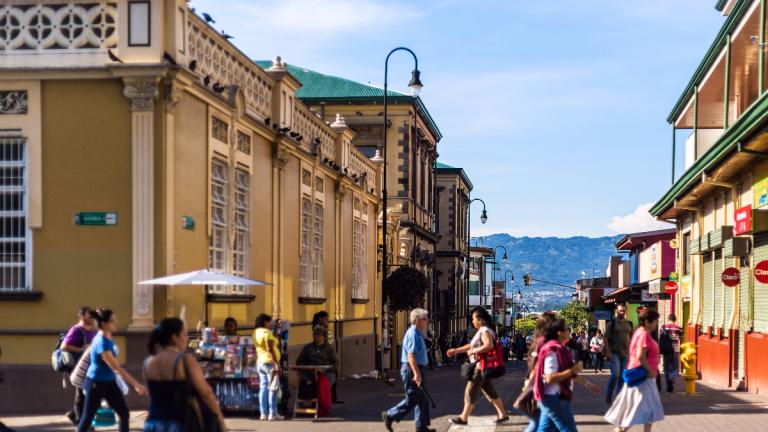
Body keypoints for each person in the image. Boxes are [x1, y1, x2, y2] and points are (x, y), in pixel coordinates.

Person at [143, 318, 226, 432]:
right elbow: (206, 393)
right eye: (184, 334)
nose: (186, 338)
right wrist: (220, 420)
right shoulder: (184, 360)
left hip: (152, 423)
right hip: (178, 423)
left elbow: (151, 395)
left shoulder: (148, 363)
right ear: (174, 338)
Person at [77, 308, 147, 432]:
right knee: (87, 418)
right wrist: (136, 384)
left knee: (124, 414)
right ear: (104, 324)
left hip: (108, 382)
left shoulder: (106, 336)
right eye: (113, 321)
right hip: (96, 383)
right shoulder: (101, 343)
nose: (116, 323)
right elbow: (117, 368)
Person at [533, 318, 601, 432]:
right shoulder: (553, 350)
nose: (569, 332)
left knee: (545, 429)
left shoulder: (561, 349)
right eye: (567, 329)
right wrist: (572, 370)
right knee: (569, 429)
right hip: (554, 397)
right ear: (559, 333)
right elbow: (550, 378)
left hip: (553, 397)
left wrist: (588, 384)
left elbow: (570, 374)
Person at [604, 308, 665, 431]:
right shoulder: (643, 334)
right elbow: (640, 356)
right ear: (648, 321)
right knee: (636, 411)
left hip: (644, 377)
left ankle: (621, 429)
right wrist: (651, 371)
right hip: (643, 378)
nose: (656, 324)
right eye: (655, 321)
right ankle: (619, 430)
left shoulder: (640, 331)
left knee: (648, 412)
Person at [446, 307, 508, 426]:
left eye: (473, 318)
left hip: (480, 366)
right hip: (482, 366)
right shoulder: (484, 330)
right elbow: (470, 345)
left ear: (480, 319)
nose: (472, 321)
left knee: (470, 390)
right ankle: (503, 415)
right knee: (490, 392)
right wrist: (456, 350)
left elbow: (488, 345)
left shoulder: (485, 330)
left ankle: (463, 418)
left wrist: (474, 351)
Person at [382, 308, 435, 432]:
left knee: (422, 398)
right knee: (413, 398)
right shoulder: (413, 334)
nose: (427, 321)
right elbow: (411, 356)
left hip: (416, 367)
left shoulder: (418, 332)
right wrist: (416, 374)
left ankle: (421, 427)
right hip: (412, 368)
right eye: (424, 319)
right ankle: (390, 415)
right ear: (417, 320)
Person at [61, 307, 98, 426]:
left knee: (89, 394)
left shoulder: (92, 331)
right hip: (79, 366)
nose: (91, 317)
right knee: (81, 394)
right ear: (82, 316)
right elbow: (64, 346)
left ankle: (74, 415)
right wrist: (81, 349)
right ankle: (82, 423)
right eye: (89, 315)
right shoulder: (76, 330)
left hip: (90, 367)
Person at [253, 313, 282, 421]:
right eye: (269, 322)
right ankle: (273, 413)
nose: (270, 323)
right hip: (270, 363)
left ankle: (263, 413)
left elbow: (272, 341)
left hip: (260, 362)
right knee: (273, 389)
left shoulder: (256, 332)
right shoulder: (266, 333)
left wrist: (276, 329)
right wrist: (276, 363)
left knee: (264, 388)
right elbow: (270, 349)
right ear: (265, 322)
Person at [604, 303, 633, 404]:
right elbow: (606, 339)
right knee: (615, 374)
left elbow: (631, 338)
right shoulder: (611, 324)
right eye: (620, 310)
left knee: (623, 376)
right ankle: (608, 394)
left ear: (626, 311)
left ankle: (619, 397)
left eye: (624, 310)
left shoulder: (629, 324)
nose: (622, 312)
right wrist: (608, 352)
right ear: (617, 311)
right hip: (614, 353)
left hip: (626, 354)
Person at [660, 314, 682, 393]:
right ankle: (671, 380)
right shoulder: (679, 328)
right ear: (675, 319)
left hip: (666, 350)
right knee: (675, 368)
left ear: (668, 319)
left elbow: (661, 338)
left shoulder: (663, 327)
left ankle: (668, 384)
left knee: (666, 368)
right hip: (676, 349)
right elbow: (681, 339)